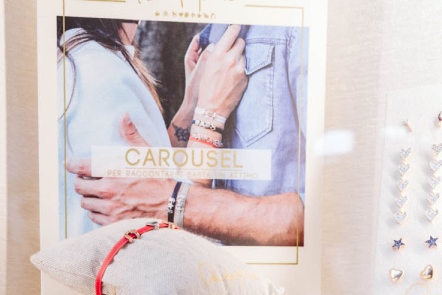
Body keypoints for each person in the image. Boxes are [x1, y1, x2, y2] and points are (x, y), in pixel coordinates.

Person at [67, 22, 306, 247]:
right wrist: (202, 114)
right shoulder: (103, 68)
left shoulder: (77, 57)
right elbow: (148, 197)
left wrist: (195, 111)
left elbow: (322, 217)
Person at [57, 18, 171, 239]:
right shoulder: (101, 71)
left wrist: (190, 108)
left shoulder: (76, 56)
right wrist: (209, 114)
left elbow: (152, 175)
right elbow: (145, 220)